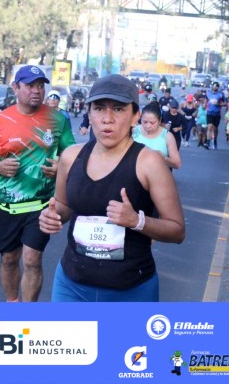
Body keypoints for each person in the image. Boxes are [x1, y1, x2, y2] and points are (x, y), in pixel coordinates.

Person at [38, 74, 185, 301]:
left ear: (135, 116)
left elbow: (177, 231)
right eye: (99, 109)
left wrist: (137, 221)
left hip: (131, 290)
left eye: (118, 109)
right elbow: (63, 206)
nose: (107, 119)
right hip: (71, 285)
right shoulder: (70, 157)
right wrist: (53, 215)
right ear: (89, 114)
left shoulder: (149, 162)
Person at [0, 65, 76, 301]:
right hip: (7, 204)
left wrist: (60, 166)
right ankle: (12, 304)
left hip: (41, 205)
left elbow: (71, 154)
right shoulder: (0, 120)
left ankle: (28, 313)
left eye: (40, 86)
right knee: (9, 259)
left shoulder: (57, 119)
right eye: (30, 85)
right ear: (16, 88)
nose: (36, 91)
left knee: (32, 259)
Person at [132, 102, 181, 170]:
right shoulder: (134, 131)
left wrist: (163, 158)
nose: (148, 126)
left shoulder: (167, 136)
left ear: (159, 121)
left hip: (158, 174)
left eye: (152, 123)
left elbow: (177, 164)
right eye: (145, 122)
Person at [206, 81, 227, 149]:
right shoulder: (208, 93)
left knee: (215, 128)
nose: (215, 87)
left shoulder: (221, 94)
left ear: (218, 87)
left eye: (217, 86)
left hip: (217, 113)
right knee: (209, 127)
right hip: (209, 113)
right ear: (212, 86)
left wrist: (218, 104)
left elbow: (225, 103)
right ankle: (208, 143)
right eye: (214, 86)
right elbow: (205, 100)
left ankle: (215, 140)